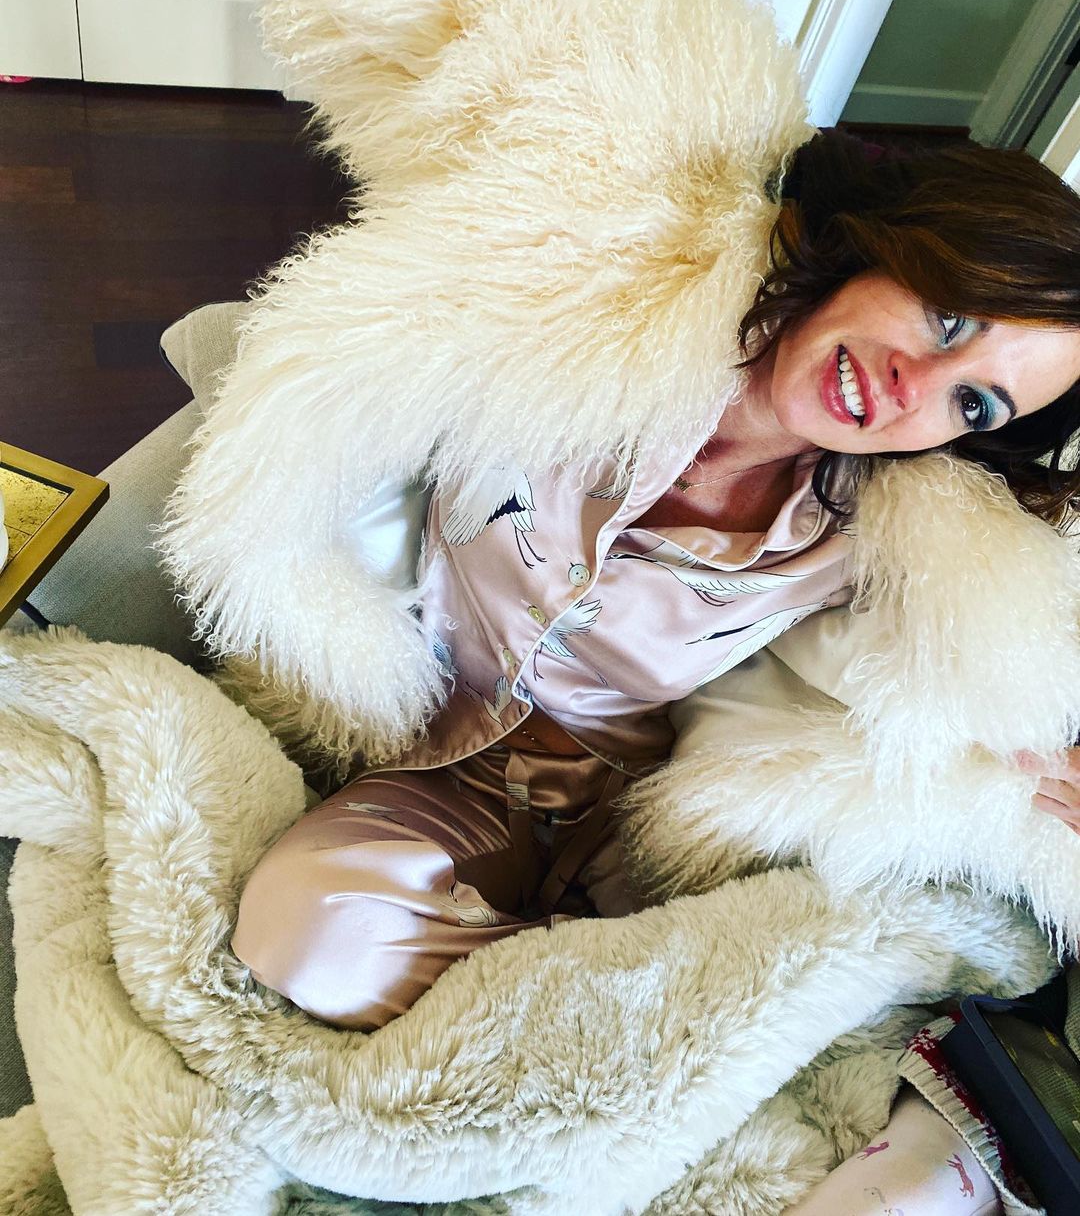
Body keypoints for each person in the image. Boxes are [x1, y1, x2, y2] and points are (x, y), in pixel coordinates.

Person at [228, 133, 1080, 1212]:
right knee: (309, 935)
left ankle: (609, 1027)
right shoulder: (607, 318)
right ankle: (607, 1034)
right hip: (431, 737)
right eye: (949, 319)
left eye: (976, 404)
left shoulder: (873, 531)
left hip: (635, 808)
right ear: (889, 244)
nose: (921, 387)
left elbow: (990, 671)